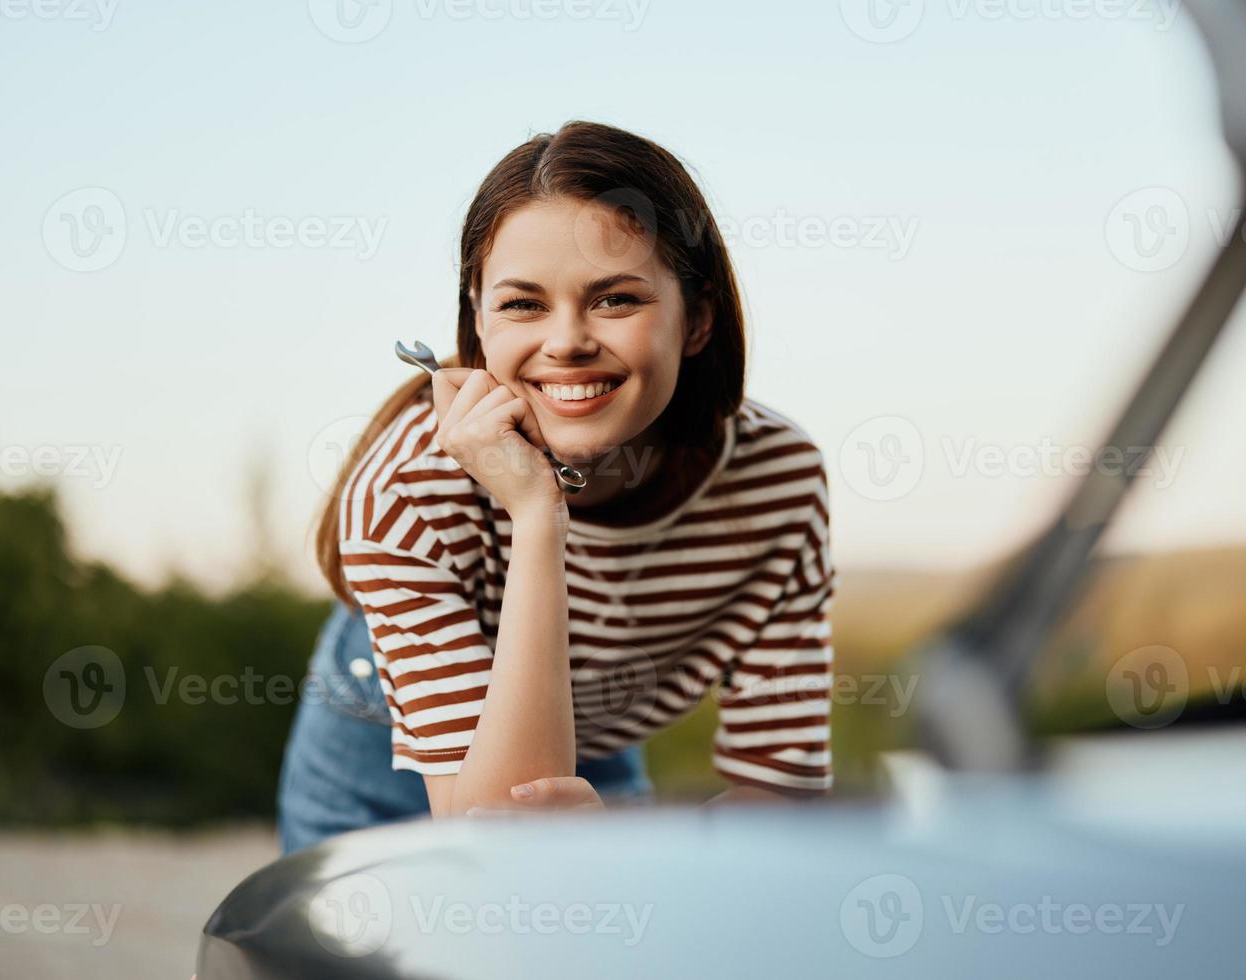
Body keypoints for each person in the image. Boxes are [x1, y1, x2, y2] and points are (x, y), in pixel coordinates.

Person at [279, 119, 834, 848]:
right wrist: (538, 515)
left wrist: (642, 852)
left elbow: (778, 797)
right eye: (522, 304)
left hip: (587, 739)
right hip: (374, 769)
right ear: (476, 323)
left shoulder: (778, 480)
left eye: (616, 300)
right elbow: (501, 840)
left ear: (697, 318)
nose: (567, 341)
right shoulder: (406, 493)